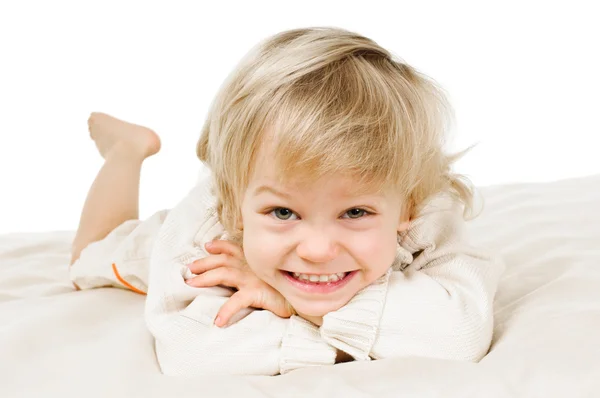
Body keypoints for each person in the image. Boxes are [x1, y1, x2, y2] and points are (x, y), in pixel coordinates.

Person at [69, 26, 505, 376]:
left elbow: (459, 334)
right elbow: (193, 357)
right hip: (210, 232)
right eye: (283, 213)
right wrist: (358, 329)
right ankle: (126, 150)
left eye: (355, 212)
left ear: (407, 207)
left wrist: (287, 301)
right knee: (89, 258)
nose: (317, 250)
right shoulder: (205, 232)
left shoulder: (427, 206)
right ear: (235, 204)